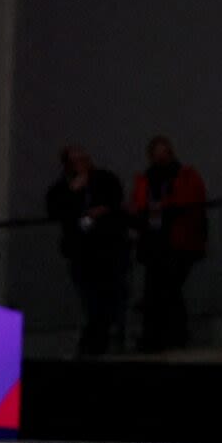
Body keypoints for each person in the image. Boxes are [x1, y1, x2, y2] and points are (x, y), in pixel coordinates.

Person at [44, 145, 131, 356]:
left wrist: (101, 211)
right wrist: (73, 193)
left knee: (111, 295)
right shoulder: (61, 188)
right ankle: (95, 341)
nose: (82, 163)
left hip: (109, 247)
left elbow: (115, 200)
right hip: (81, 251)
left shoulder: (104, 179)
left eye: (84, 158)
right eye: (76, 161)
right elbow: (55, 211)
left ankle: (103, 339)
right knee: (90, 298)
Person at [128, 135, 207, 352]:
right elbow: (136, 206)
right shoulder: (145, 180)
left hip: (178, 241)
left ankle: (169, 336)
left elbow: (190, 201)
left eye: (164, 150)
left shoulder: (185, 175)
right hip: (154, 243)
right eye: (157, 151)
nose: (161, 155)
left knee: (168, 289)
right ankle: (163, 337)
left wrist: (161, 207)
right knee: (159, 291)